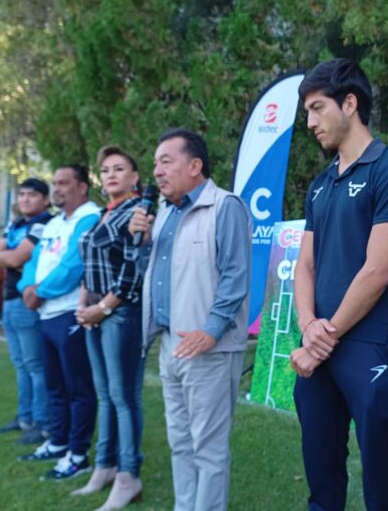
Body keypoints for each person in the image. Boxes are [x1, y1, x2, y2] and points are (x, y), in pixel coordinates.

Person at [289, 58, 388, 511]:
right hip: (318, 343)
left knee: (384, 485)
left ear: (349, 104)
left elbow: (377, 271)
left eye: (317, 108)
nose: (310, 123)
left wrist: (324, 337)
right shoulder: (320, 185)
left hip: (367, 345)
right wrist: (308, 326)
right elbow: (304, 266)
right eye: (307, 112)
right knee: (321, 479)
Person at [128, 128, 251, 511]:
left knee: (208, 449)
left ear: (195, 165)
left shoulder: (225, 206)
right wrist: (140, 242)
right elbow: (153, 275)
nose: (157, 171)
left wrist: (211, 331)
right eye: (155, 163)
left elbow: (235, 276)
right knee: (180, 442)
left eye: (166, 162)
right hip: (171, 345)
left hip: (209, 349)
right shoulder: (163, 214)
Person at [72, 146, 147, 510]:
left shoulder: (138, 212)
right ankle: (105, 466)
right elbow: (90, 266)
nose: (111, 175)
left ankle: (129, 475)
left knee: (124, 396)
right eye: (105, 170)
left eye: (119, 168)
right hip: (94, 313)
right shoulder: (105, 213)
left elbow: (133, 271)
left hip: (121, 314)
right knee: (105, 395)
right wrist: (82, 305)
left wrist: (101, 309)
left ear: (135, 177)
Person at [18, 165, 100, 482]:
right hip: (46, 315)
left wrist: (39, 292)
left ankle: (78, 455)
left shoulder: (89, 217)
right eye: (55, 183)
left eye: (64, 183)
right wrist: (27, 287)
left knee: (77, 388)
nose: (57, 189)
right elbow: (34, 260)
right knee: (55, 386)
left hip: (69, 313)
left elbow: (73, 266)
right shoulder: (53, 223)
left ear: (82, 187)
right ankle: (58, 441)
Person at [0, 178, 54, 444]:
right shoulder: (15, 224)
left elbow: (15, 258)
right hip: (9, 300)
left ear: (45, 200)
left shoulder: (44, 224)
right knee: (20, 363)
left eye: (32, 195)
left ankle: (41, 421)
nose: (25, 199)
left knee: (36, 365)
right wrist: (4, 258)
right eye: (22, 194)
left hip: (28, 302)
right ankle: (24, 417)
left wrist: (6, 258)